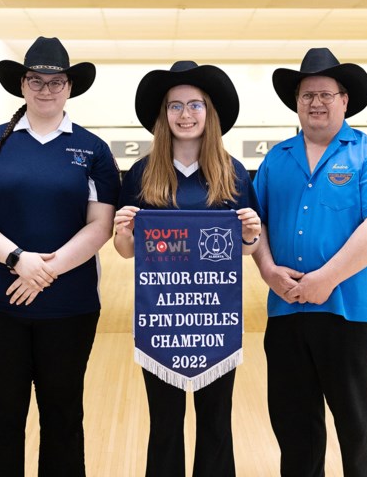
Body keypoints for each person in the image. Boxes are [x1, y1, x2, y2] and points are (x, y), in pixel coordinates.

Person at [0, 36, 120, 477]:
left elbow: (100, 225)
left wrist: (47, 269)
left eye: (55, 81)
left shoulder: (93, 149)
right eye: (36, 80)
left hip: (70, 305)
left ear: (69, 87)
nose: (46, 89)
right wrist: (18, 259)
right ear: (22, 85)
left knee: (63, 416)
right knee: (1, 417)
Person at [251, 47, 367, 477]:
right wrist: (268, 270)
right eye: (307, 95)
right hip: (287, 312)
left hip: (348, 315)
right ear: (296, 102)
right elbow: (257, 226)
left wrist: (325, 278)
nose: (316, 102)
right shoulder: (276, 159)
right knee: (295, 433)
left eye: (326, 93)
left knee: (359, 433)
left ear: (345, 100)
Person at [113, 61, 262, 477]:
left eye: (195, 105)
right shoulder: (144, 172)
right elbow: (125, 250)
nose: (185, 114)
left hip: (215, 318)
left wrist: (251, 233)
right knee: (164, 423)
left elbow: (248, 249)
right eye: (175, 106)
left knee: (216, 421)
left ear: (209, 113)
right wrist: (123, 229)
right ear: (164, 115)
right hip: (161, 318)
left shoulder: (232, 172)